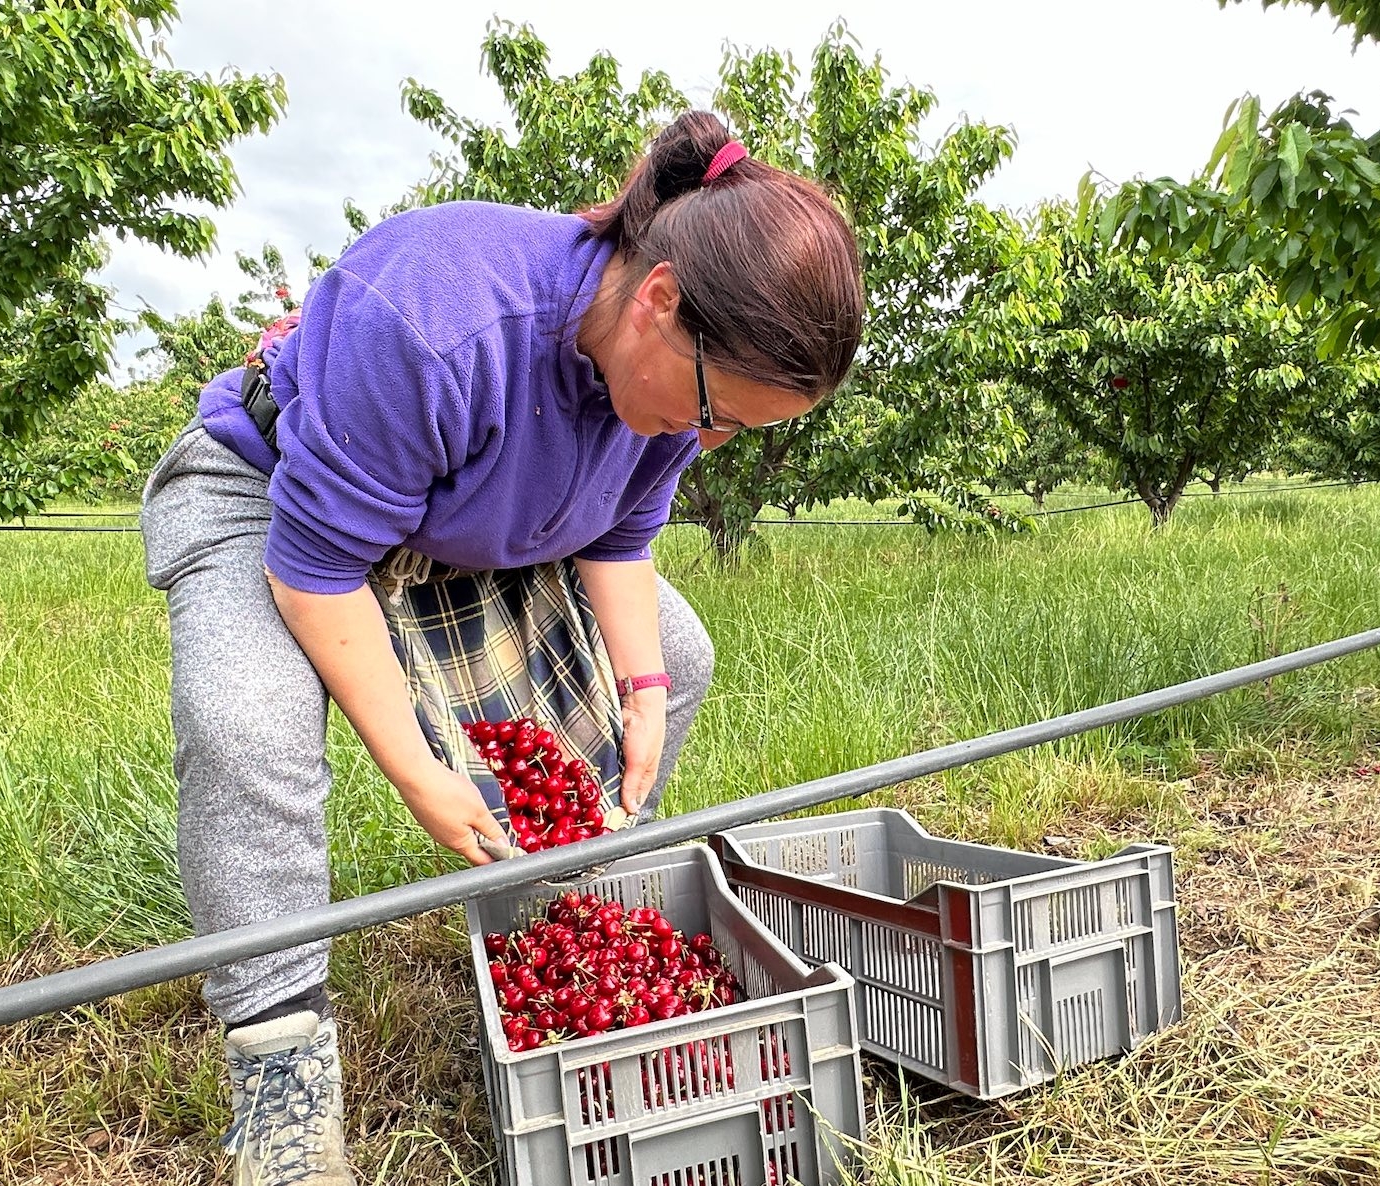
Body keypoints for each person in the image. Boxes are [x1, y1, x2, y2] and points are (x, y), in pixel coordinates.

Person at [138, 111, 864, 1184]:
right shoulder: (439, 319)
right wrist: (422, 772)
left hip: (470, 528)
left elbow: (621, 533)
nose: (703, 441)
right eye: (714, 413)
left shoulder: (662, 391)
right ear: (658, 301)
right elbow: (317, 570)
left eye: (735, 433)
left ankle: (547, 918)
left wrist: (646, 685)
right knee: (246, 723)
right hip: (285, 498)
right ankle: (279, 1057)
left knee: (681, 650)